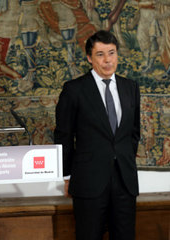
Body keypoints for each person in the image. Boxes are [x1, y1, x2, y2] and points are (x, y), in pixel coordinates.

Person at [54, 30, 141, 240]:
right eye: (100, 54)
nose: (107, 60)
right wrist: (66, 175)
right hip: (89, 182)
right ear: (89, 58)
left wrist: (124, 159)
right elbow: (64, 136)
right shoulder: (74, 89)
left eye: (111, 53)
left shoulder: (131, 87)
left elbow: (134, 133)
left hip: (125, 181)